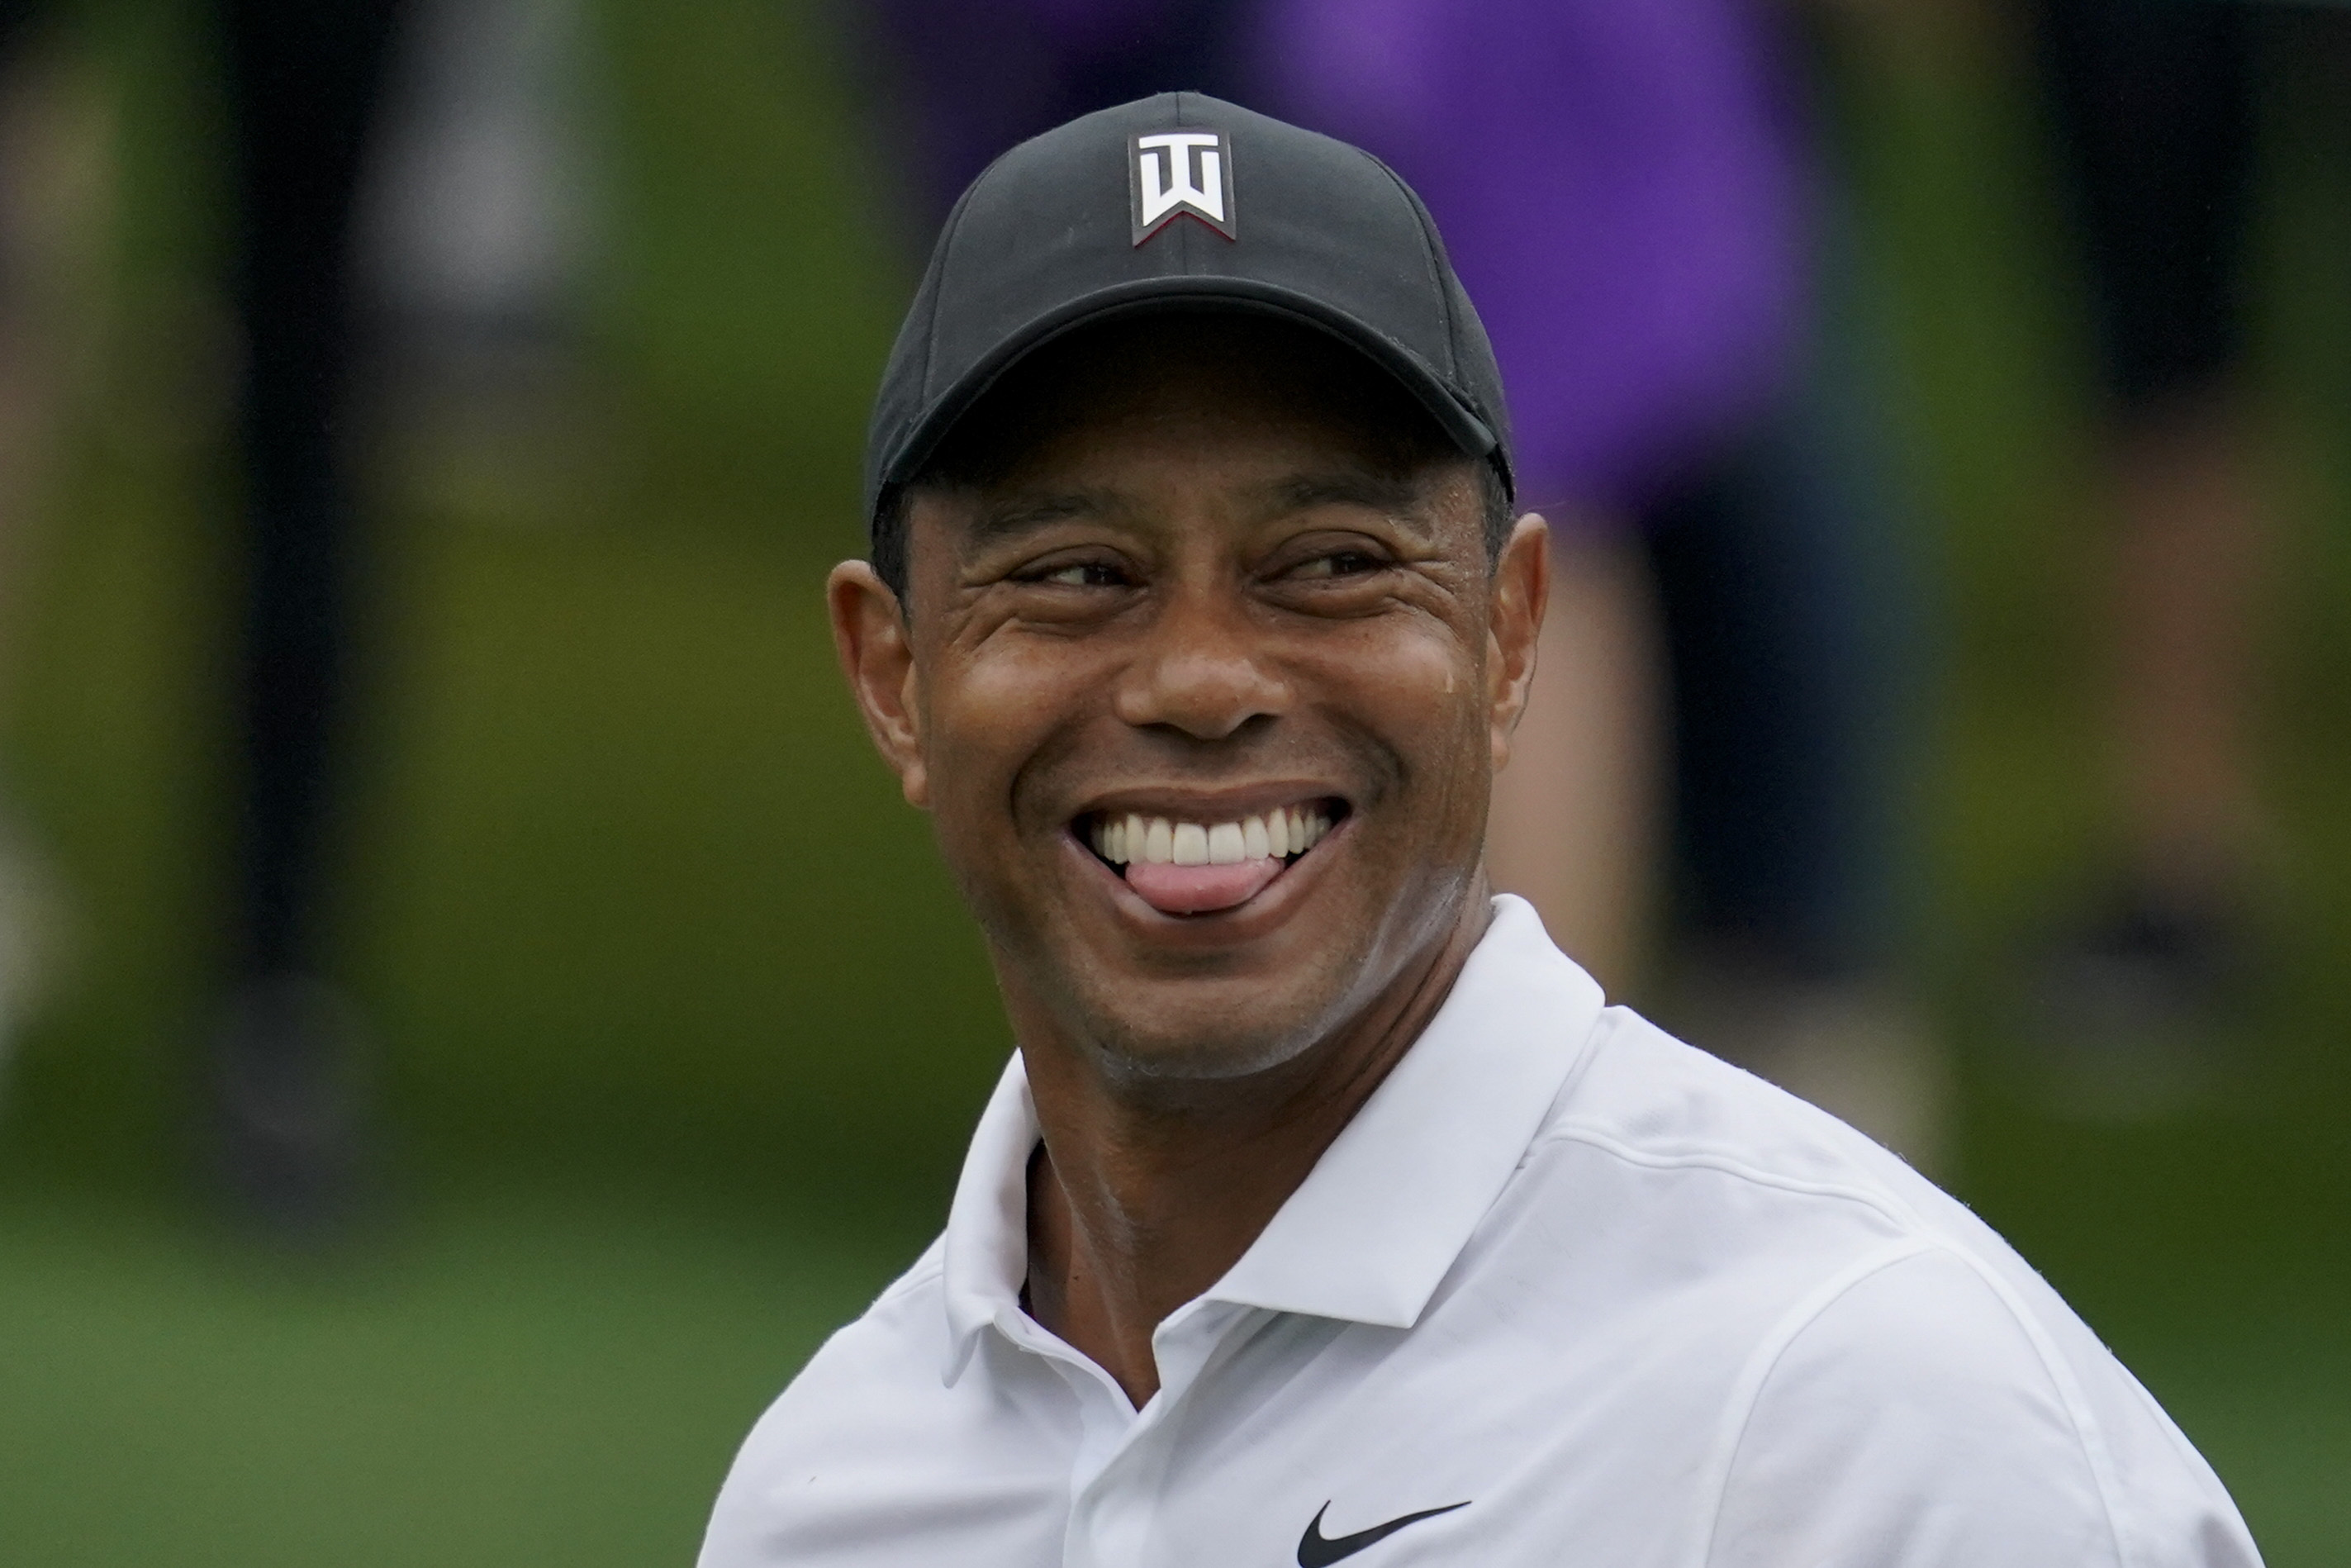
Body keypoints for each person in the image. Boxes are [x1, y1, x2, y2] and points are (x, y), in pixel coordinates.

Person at [699, 95, 2255, 1566]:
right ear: (894, 677)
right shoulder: (830, 1488)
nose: (1199, 677)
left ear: (1511, 637)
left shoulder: (1858, 1407)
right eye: (1077, 575)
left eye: (1326, 562)